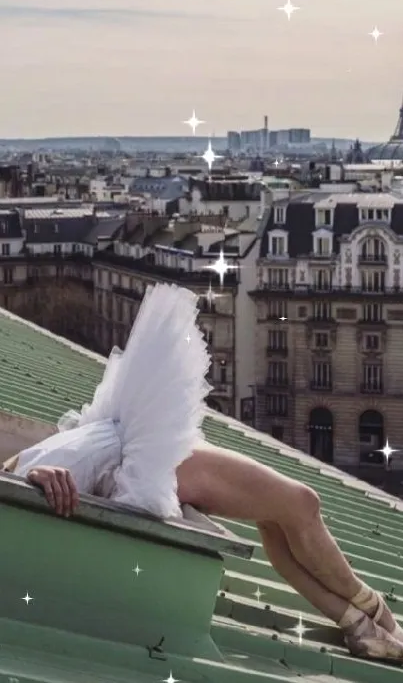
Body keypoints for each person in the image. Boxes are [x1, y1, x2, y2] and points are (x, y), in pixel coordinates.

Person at [2, 284, 403, 662]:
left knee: (276, 520)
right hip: (140, 453)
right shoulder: (33, 473)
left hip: (125, 444)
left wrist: (30, 470)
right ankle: (379, 613)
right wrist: (37, 474)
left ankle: (359, 625)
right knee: (301, 504)